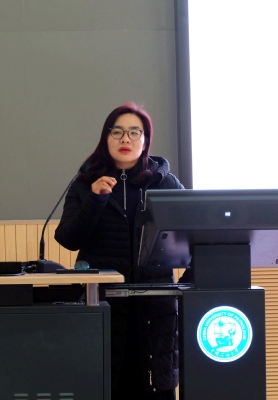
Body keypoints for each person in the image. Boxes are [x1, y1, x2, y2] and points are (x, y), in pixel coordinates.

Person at [54, 102, 185, 400]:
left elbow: (194, 235)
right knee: (105, 386)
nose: (125, 139)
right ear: (106, 137)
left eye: (134, 132)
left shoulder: (165, 183)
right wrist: (95, 200)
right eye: (117, 132)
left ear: (145, 141)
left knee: (155, 387)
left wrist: (186, 286)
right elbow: (68, 238)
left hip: (156, 309)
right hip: (103, 306)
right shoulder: (85, 183)